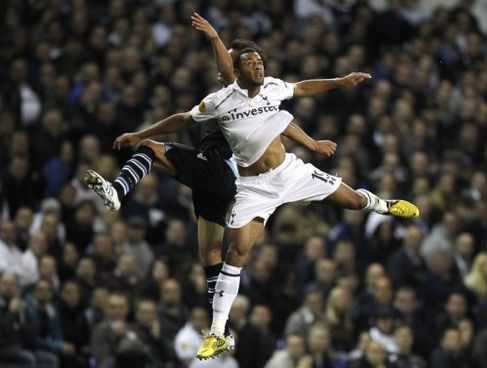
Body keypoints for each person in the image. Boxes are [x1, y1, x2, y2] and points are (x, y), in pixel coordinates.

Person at [85, 13, 334, 352]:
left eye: (232, 61)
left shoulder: (240, 95)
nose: (224, 66)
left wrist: (215, 38)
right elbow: (182, 118)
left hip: (220, 169)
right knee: (211, 256)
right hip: (216, 184)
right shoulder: (220, 101)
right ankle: (221, 331)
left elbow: (274, 110)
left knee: (152, 150)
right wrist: (140, 130)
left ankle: (117, 191)